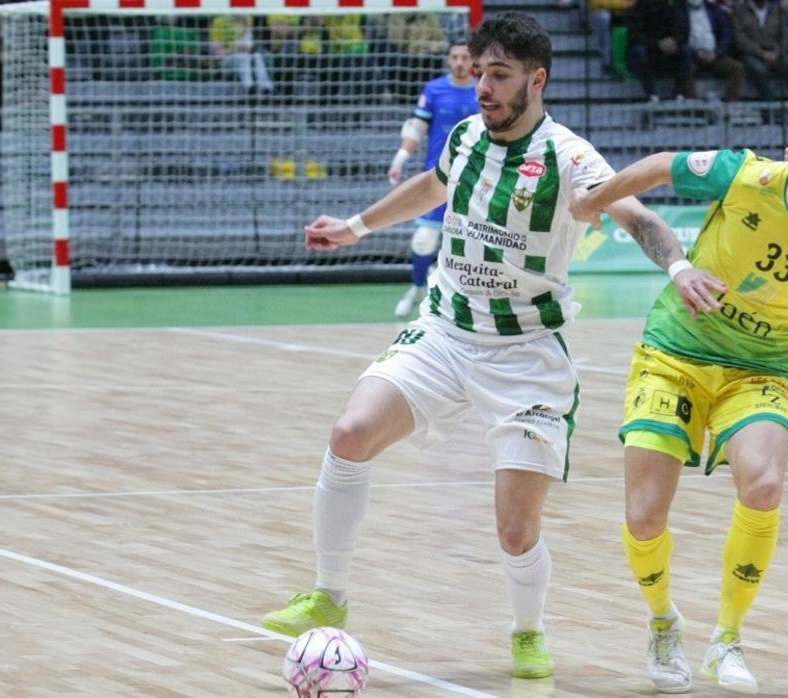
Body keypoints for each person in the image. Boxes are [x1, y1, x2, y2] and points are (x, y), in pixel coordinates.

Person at [260, 11, 723, 680]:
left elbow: (637, 214)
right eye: (480, 72)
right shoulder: (467, 135)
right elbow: (431, 187)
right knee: (349, 433)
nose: (483, 87)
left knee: (515, 528)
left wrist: (678, 268)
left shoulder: (569, 155)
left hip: (527, 356)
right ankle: (328, 596)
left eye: (499, 75)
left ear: (537, 80)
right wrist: (358, 227)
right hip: (446, 332)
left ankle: (528, 632)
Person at [570, 106, 788, 694]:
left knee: (763, 485)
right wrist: (595, 201)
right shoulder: (745, 176)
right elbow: (661, 166)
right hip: (675, 351)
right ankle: (664, 620)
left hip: (761, 371)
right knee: (644, 516)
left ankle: (727, 639)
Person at [386, 39, 479, 319]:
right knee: (423, 240)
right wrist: (400, 159)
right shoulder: (434, 89)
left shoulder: (484, 89)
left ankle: (460, 301)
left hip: (476, 180)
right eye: (455, 57)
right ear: (448, 60)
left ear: (473, 61)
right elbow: (416, 128)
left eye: (465, 57)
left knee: (471, 245)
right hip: (438, 178)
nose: (460, 62)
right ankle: (415, 290)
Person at [732, 0, 788, 101]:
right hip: (753, 53)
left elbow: (784, 35)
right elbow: (740, 39)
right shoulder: (740, 11)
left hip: (775, 51)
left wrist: (777, 51)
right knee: (757, 68)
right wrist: (762, 54)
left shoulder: (776, 10)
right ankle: (769, 102)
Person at [208, 14, 273, 94]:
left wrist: (249, 47)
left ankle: (266, 88)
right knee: (242, 56)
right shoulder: (219, 22)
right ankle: (249, 88)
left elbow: (249, 47)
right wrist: (235, 50)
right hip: (226, 62)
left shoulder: (247, 20)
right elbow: (218, 55)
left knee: (257, 56)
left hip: (246, 61)